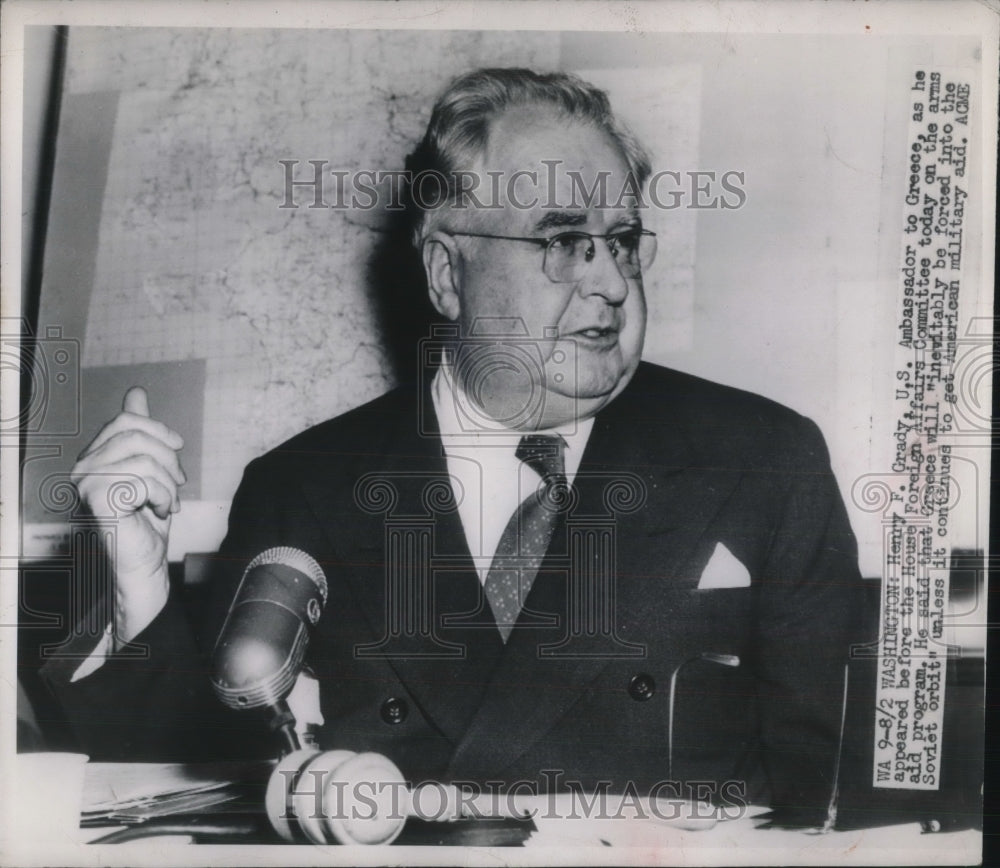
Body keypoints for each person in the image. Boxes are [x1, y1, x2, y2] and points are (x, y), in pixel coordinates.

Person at [40, 68, 865, 826]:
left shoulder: (764, 459)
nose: (610, 283)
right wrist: (137, 585)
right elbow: (198, 785)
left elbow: (832, 797)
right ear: (445, 274)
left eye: (621, 241)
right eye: (560, 240)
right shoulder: (305, 486)